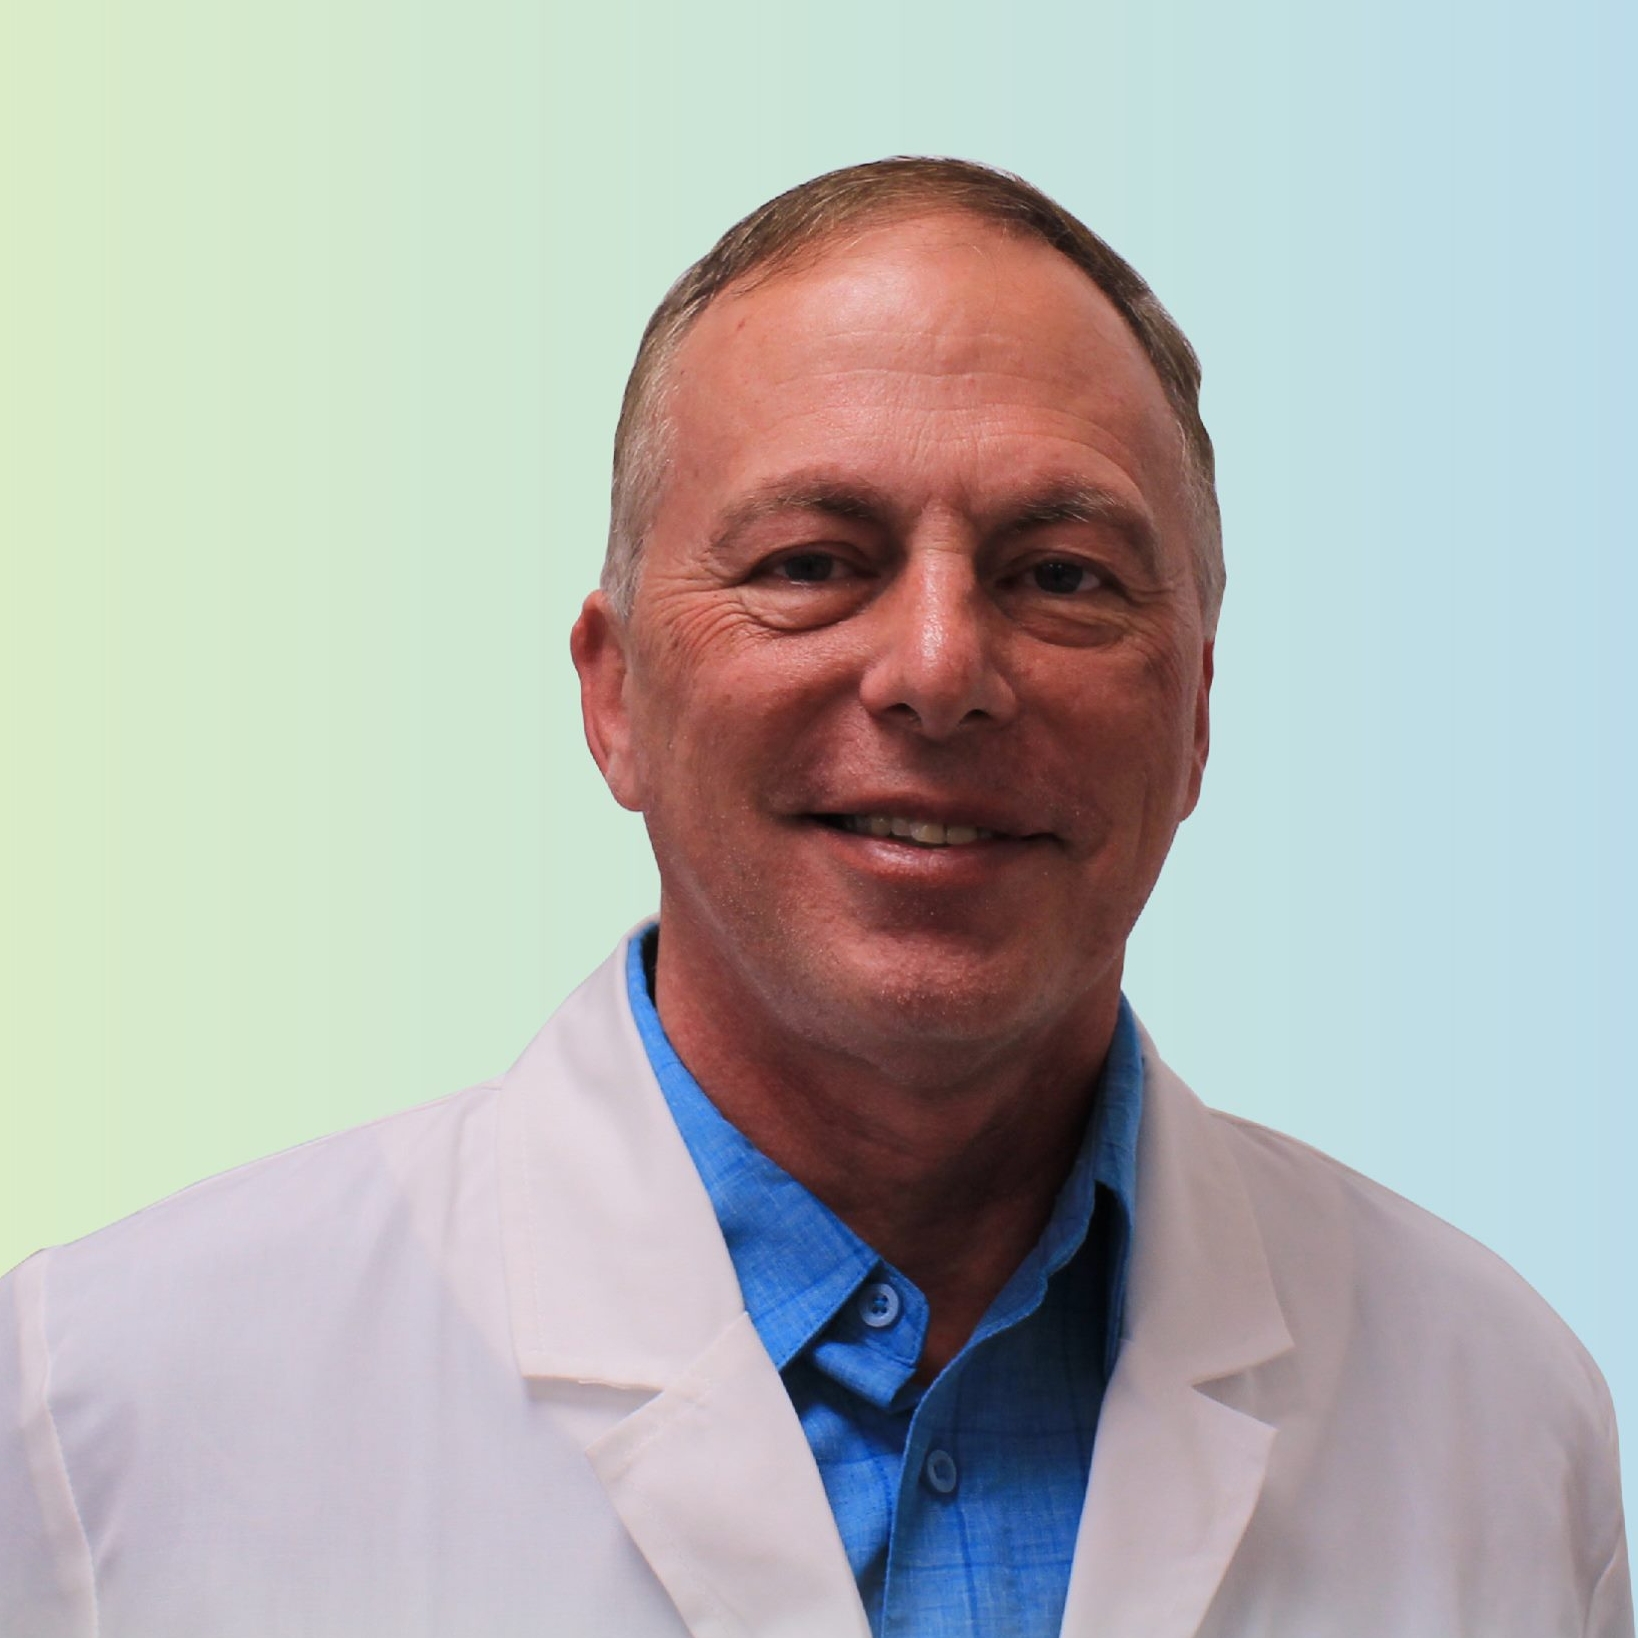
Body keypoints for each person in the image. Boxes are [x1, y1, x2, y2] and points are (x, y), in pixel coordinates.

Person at [1, 158, 1629, 1638]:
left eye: (1061, 575)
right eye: (809, 561)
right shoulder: (107, 1409)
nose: (938, 668)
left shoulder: (1494, 1409)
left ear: (1195, 714)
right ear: (615, 695)